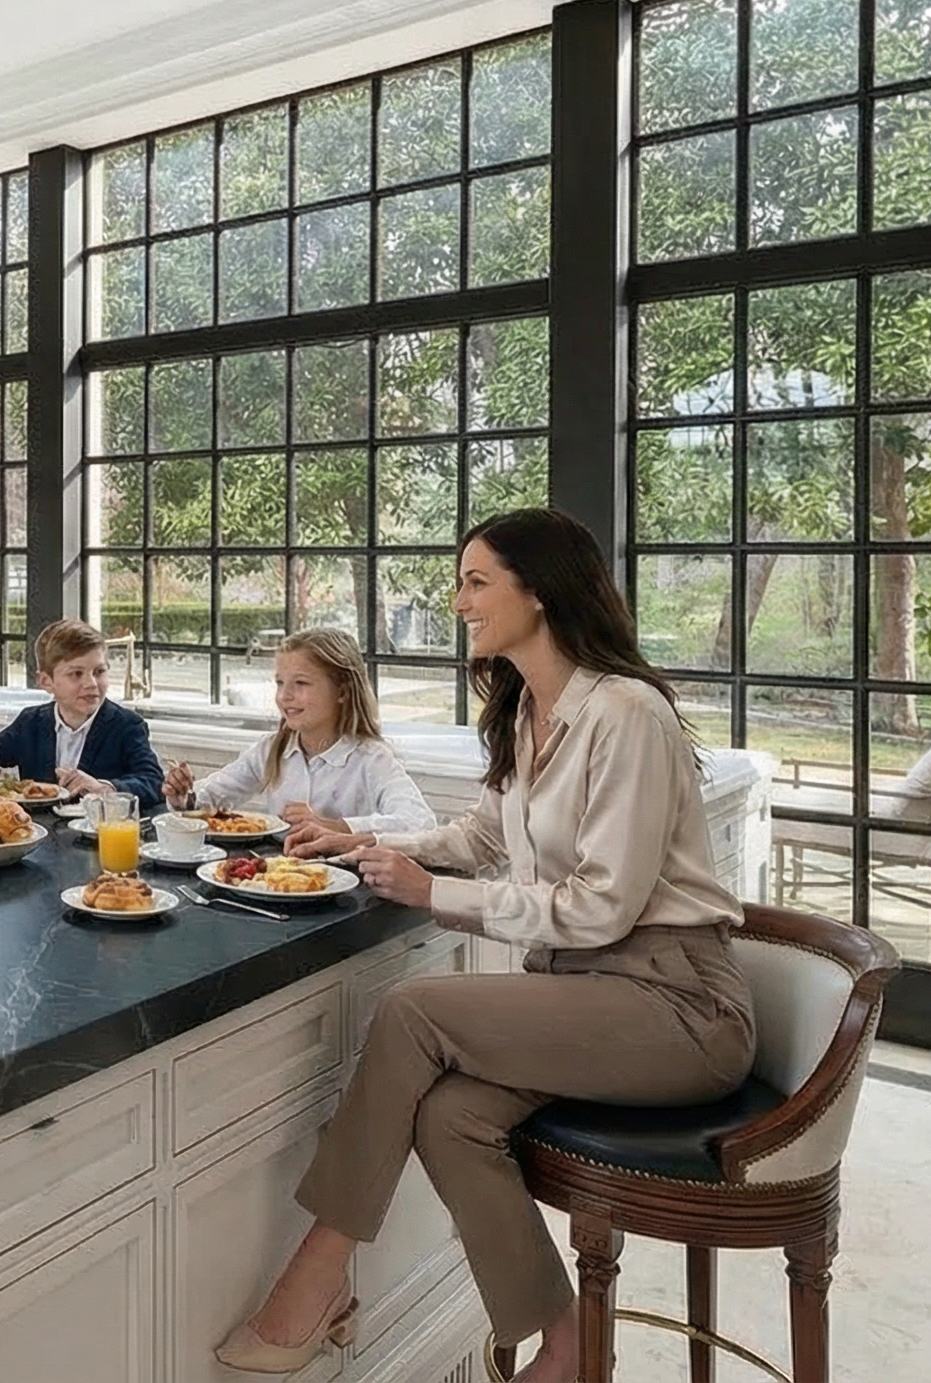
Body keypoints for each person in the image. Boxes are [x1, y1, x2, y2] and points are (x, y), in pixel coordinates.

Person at [218, 508, 754, 1383]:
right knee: (450, 1115)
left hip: (676, 1003)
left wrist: (434, 896)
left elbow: (604, 905)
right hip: (583, 996)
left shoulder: (627, 713)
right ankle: (573, 1339)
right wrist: (358, 843)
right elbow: (481, 835)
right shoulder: (522, 713)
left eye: (477, 581)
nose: (459, 600)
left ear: (539, 592)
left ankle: (317, 1277)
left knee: (414, 1009)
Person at [160, 627, 436, 836]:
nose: (285, 696)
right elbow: (211, 798)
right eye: (280, 683)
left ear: (342, 691)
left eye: (301, 683)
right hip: (284, 880)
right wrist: (185, 799)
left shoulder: (371, 758)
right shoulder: (272, 749)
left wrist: (334, 826)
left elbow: (420, 822)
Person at [0, 618, 164, 808]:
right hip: (39, 842)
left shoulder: (126, 725)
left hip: (98, 842)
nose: (91, 684)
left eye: (99, 672)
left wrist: (103, 788)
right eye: (76, 674)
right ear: (46, 681)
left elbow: (153, 781)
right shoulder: (31, 723)